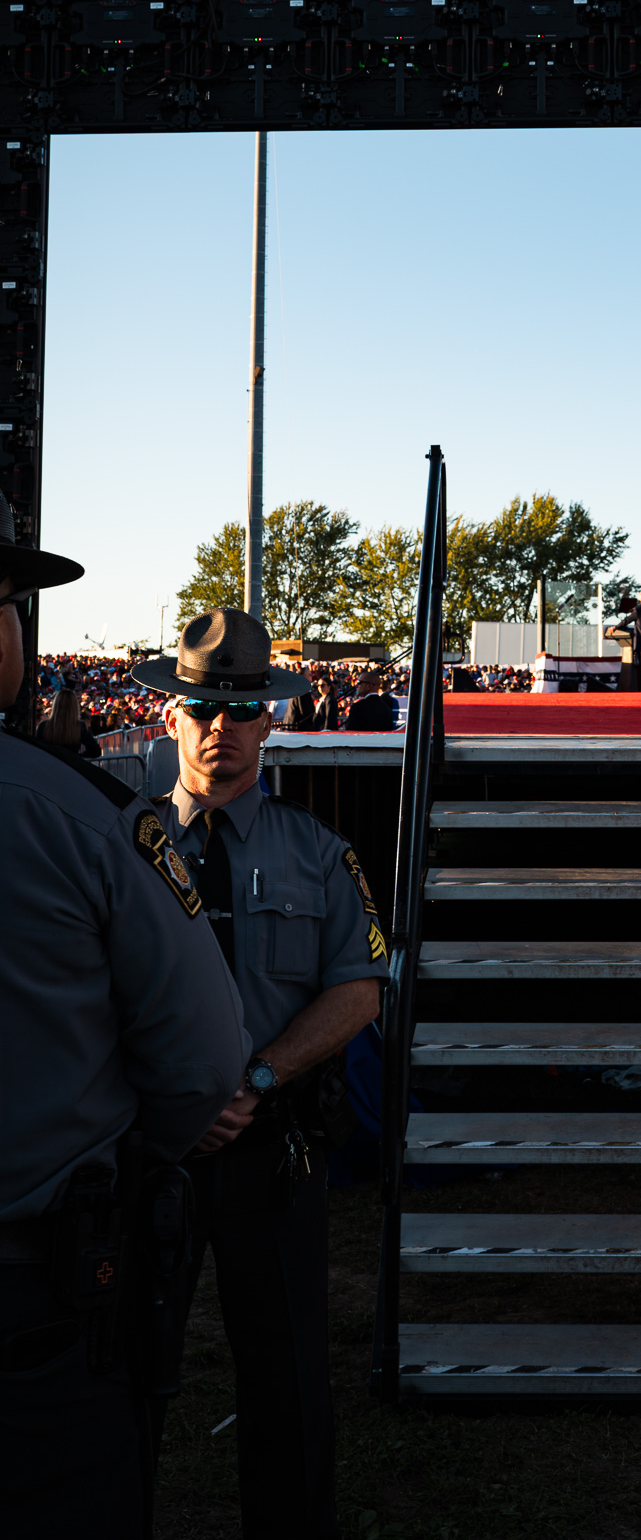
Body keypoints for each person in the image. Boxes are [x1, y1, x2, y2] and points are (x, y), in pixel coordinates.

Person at [0, 493, 249, 1540]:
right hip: (32, 1306)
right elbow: (202, 1058)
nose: (222, 727)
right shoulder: (83, 815)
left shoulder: (319, 856)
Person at [133, 610, 386, 1539]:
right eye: (201, 708)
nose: (220, 729)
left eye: (241, 711)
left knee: (285, 1379)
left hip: (270, 1152)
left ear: (270, 721)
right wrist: (177, 1102)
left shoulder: (320, 856)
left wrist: (256, 1084)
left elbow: (358, 990)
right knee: (121, 1373)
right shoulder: (122, 849)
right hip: (143, 1153)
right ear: (170, 716)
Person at [36, 685, 101, 758]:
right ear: (74, 707)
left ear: (56, 705)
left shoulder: (44, 725)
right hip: (69, 765)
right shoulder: (80, 726)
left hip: (49, 765)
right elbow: (95, 751)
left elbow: (37, 749)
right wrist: (76, 758)